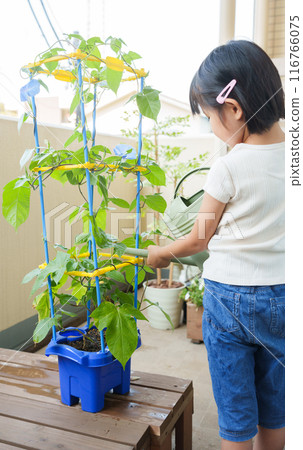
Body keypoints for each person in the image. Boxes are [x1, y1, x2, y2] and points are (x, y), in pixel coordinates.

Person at [147, 40, 285, 450]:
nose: (211, 128)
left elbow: (199, 238)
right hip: (284, 296)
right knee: (275, 406)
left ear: (235, 109)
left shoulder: (228, 167)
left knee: (237, 414)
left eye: (209, 117)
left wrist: (159, 254)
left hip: (229, 302)